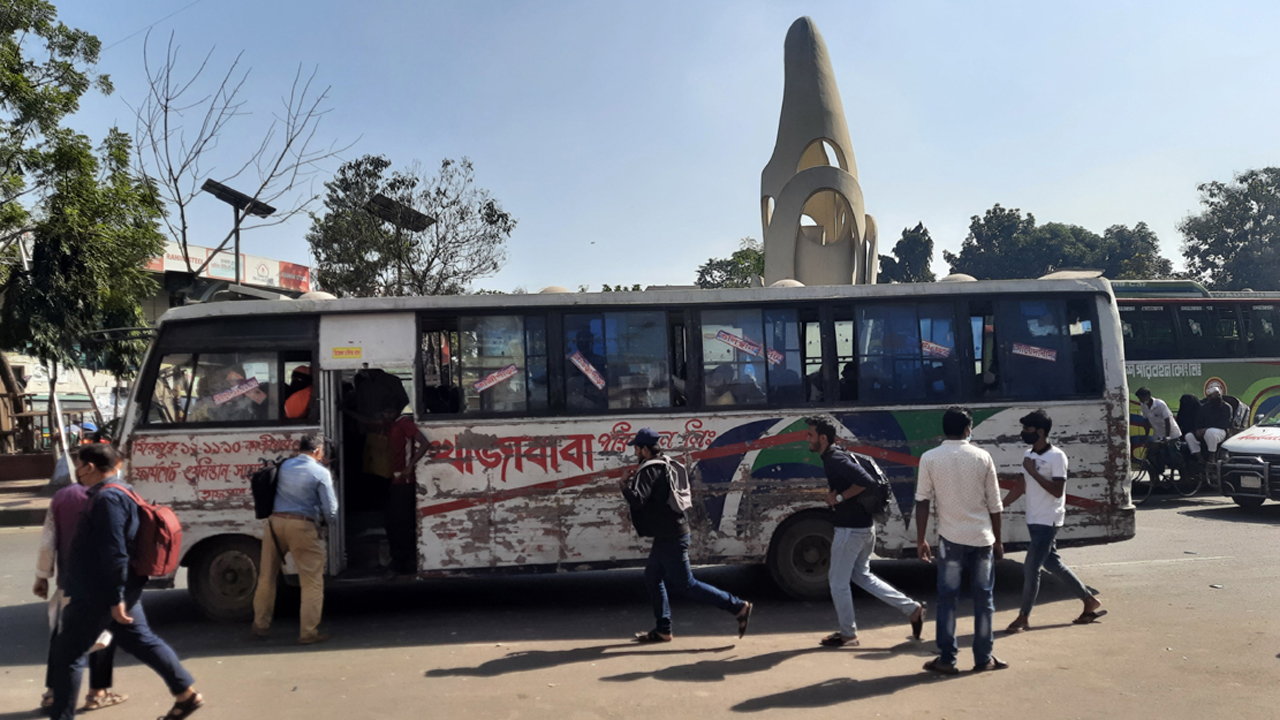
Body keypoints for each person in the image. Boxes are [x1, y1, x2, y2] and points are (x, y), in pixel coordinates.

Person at [47, 444, 202, 720]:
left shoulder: (107, 500)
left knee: (66, 655)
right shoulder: (121, 490)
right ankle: (186, 694)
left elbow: (114, 551)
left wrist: (115, 597)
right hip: (115, 587)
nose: (78, 472)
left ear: (90, 468)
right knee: (141, 640)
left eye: (79, 465)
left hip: (99, 592)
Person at [621, 427, 752, 642]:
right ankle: (663, 629)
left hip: (671, 536)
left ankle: (737, 606)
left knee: (686, 584)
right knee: (652, 577)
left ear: (644, 449)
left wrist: (623, 485)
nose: (634, 451)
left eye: (636, 447)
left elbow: (637, 500)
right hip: (671, 533)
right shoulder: (666, 463)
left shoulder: (649, 470)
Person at [805, 416, 925, 648]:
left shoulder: (834, 458)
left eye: (810, 435)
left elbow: (866, 481)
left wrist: (838, 497)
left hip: (850, 530)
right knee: (861, 575)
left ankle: (848, 635)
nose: (806, 439)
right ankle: (912, 609)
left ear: (822, 438)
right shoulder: (837, 454)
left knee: (837, 582)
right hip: (863, 528)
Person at [915, 407, 1007, 674]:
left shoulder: (930, 458)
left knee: (947, 600)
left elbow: (922, 501)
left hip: (950, 540)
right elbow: (995, 505)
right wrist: (998, 541)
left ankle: (947, 659)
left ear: (944, 429)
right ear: (968, 429)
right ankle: (983, 659)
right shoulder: (982, 457)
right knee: (984, 601)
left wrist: (921, 539)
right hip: (981, 539)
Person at [1001, 410, 1106, 634]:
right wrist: (1001, 506)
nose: (1023, 434)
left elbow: (1058, 491)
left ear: (1040, 431)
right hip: (1034, 518)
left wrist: (1034, 472)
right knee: (1052, 563)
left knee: (1031, 568)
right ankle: (1088, 601)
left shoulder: (1056, 456)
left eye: (1027, 430)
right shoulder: (1028, 454)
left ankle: (1023, 616)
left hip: (1048, 520)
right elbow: (1021, 485)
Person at [35, 457, 124, 712]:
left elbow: (48, 539)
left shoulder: (62, 496)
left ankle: (53, 692)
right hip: (102, 584)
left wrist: (42, 575)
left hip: (68, 584)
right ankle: (97, 692)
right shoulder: (113, 494)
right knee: (104, 636)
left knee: (61, 639)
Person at [252, 434, 338, 644]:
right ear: (318, 451)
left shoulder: (284, 466)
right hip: (302, 526)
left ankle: (260, 625)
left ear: (299, 449)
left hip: (274, 524)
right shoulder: (320, 472)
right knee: (311, 582)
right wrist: (327, 524)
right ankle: (308, 632)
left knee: (267, 576)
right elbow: (331, 510)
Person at [385, 411, 430, 577]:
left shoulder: (404, 423)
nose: (385, 413)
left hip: (404, 481)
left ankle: (403, 562)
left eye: (388, 408)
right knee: (393, 523)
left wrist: (410, 466)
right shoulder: (391, 424)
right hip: (395, 480)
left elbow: (424, 443)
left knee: (401, 524)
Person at [1136, 387, 1181, 476]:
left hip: (1171, 433)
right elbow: (1146, 421)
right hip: (1158, 434)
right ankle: (1157, 475)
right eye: (1139, 398)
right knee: (1152, 455)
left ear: (1148, 396)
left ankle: (1176, 472)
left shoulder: (1160, 404)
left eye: (1141, 398)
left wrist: (1167, 437)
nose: (1140, 400)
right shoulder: (1143, 406)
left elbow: (1167, 421)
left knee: (1172, 455)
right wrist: (1146, 435)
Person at [1188, 387, 1231, 460]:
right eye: (1214, 395)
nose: (1216, 397)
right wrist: (1197, 431)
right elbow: (1199, 422)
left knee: (1210, 432)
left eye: (1218, 395)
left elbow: (1224, 424)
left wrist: (1206, 429)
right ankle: (1200, 459)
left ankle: (1212, 457)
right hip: (1205, 431)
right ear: (1209, 397)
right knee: (1189, 436)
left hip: (1220, 431)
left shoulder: (1226, 407)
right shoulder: (1204, 408)